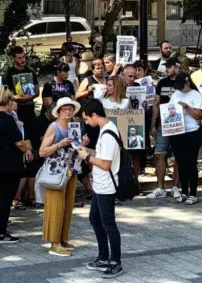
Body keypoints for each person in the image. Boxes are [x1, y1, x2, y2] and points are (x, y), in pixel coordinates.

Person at [78, 99, 124, 278]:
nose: (87, 122)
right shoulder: (105, 131)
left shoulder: (108, 133)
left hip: (106, 186)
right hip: (99, 185)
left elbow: (105, 164)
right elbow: (102, 156)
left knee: (108, 224)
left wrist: (86, 158)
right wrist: (87, 151)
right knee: (95, 219)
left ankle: (115, 261)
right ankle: (104, 256)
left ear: (95, 115)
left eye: (87, 119)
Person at [0, 86, 33, 243]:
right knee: (6, 197)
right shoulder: (7, 119)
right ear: (7, 101)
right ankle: (0, 230)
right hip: (9, 164)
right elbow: (19, 142)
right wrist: (28, 147)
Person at [39, 97, 81, 257]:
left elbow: (76, 146)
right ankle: (54, 243)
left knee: (67, 205)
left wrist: (82, 142)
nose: (68, 111)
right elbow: (42, 151)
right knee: (56, 206)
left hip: (70, 170)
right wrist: (59, 144)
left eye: (70, 109)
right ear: (59, 111)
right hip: (56, 171)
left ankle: (62, 239)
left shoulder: (74, 125)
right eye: (65, 109)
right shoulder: (53, 127)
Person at [147, 58, 182, 199]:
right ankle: (160, 188)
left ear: (177, 67)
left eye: (170, 66)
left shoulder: (185, 81)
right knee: (159, 154)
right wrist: (153, 124)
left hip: (180, 125)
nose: (167, 69)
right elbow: (156, 104)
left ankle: (176, 187)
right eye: (166, 66)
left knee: (178, 156)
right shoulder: (162, 82)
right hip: (163, 124)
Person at [169, 72, 202, 205]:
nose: (180, 89)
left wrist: (186, 107)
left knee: (191, 163)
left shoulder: (195, 95)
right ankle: (184, 191)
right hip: (177, 131)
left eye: (182, 86)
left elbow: (198, 115)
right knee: (181, 162)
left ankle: (194, 193)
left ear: (188, 82)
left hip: (191, 131)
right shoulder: (175, 94)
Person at [3, 47, 39, 129]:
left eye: (23, 57)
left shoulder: (31, 71)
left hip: (30, 109)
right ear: (13, 59)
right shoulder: (8, 73)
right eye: (19, 58)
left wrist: (29, 97)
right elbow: (6, 93)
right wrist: (15, 97)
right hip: (16, 110)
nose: (22, 60)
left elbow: (37, 91)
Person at [27, 105, 55, 206]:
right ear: (48, 111)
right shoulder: (38, 121)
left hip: (52, 152)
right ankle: (31, 197)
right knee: (33, 171)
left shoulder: (55, 122)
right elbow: (38, 139)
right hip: (38, 151)